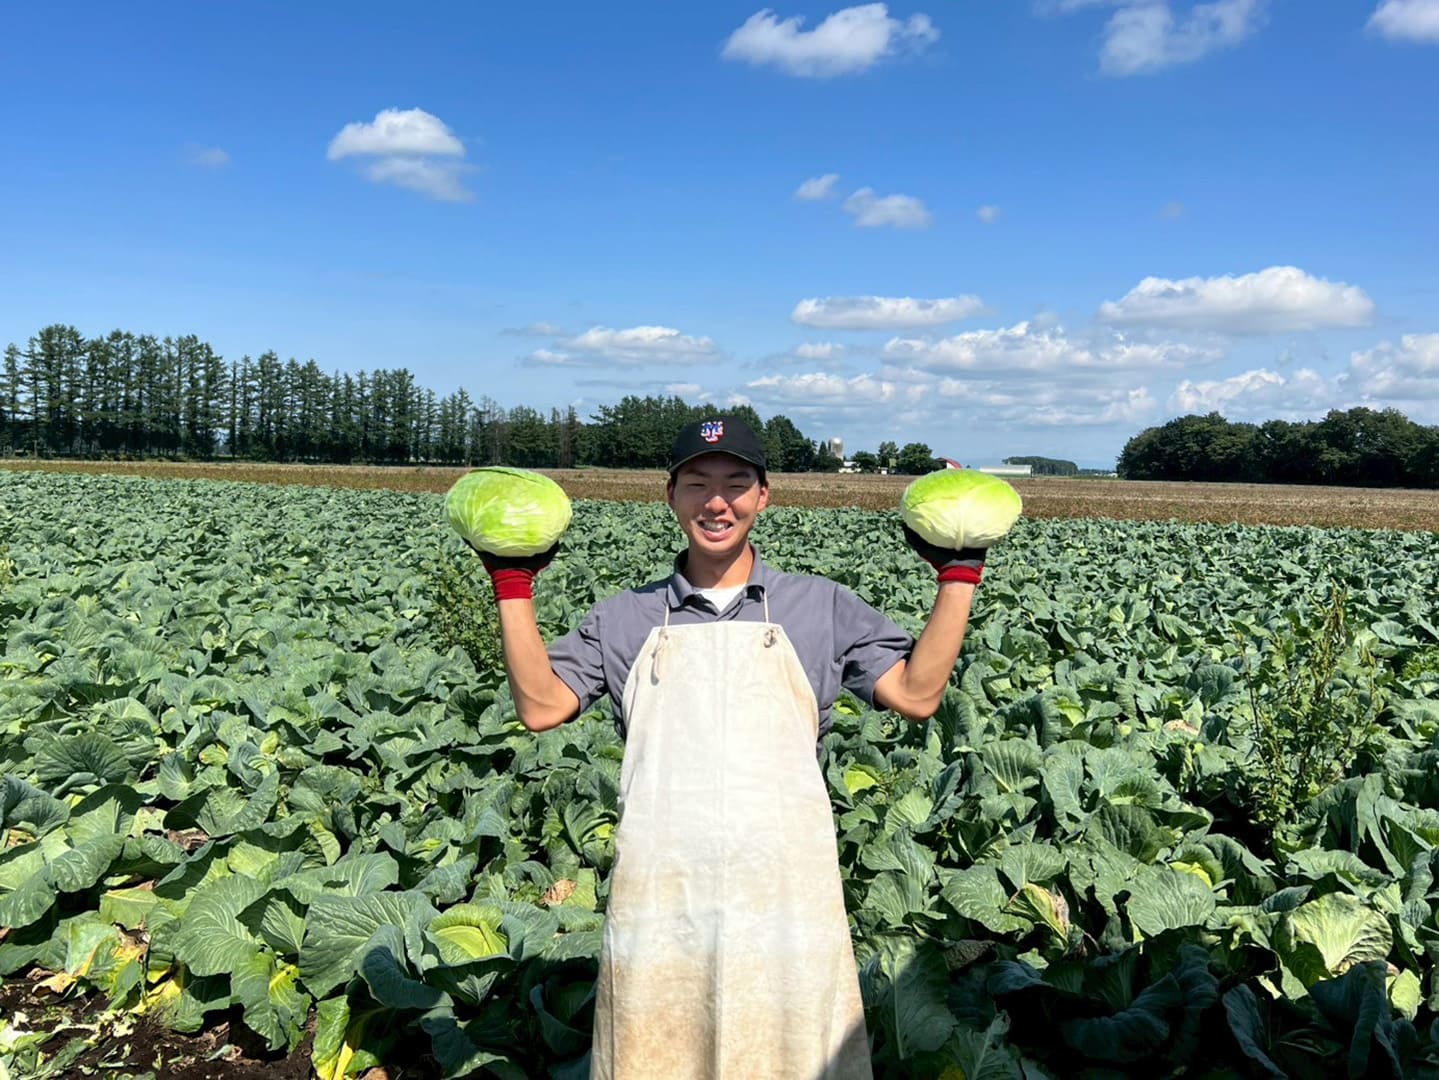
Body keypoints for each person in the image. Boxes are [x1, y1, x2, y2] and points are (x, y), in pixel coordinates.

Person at [473, 416, 991, 1080]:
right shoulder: (625, 616)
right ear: (671, 495)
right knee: (658, 1053)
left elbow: (916, 694)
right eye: (697, 483)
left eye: (736, 484)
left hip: (785, 886)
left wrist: (958, 575)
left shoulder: (820, 607)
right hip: (662, 889)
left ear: (762, 496)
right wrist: (512, 584)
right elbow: (542, 707)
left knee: (791, 1054)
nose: (716, 503)